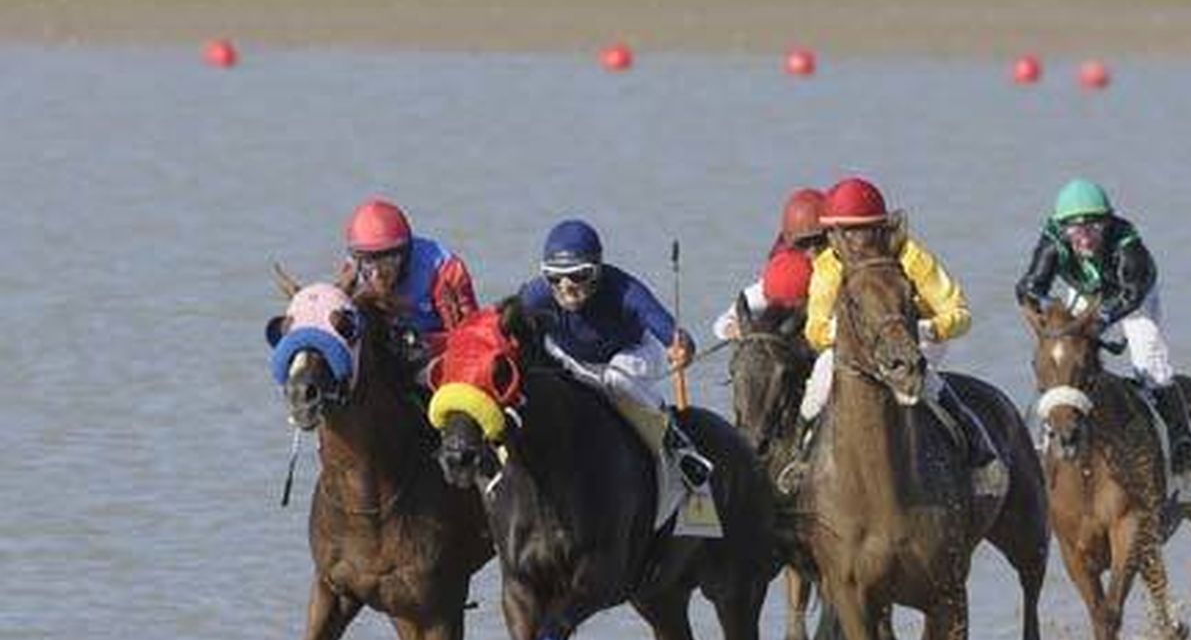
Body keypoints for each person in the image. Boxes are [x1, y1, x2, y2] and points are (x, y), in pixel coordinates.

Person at [796, 176, 1006, 496]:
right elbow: (815, 329)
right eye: (840, 233)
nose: (851, 243)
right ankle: (801, 460)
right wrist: (844, 332)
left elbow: (960, 312)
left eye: (859, 231)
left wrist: (932, 328)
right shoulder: (828, 266)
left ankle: (979, 455)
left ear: (880, 229)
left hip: (915, 338)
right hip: (855, 348)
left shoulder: (911, 256)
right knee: (819, 383)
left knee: (928, 381)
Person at [1015, 178, 1191, 475]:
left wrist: (1102, 320)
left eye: (1094, 228)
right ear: (1062, 227)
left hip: (1134, 298)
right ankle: (1038, 444)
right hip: (1086, 294)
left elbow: (1131, 293)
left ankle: (1182, 441)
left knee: (1150, 363)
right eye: (1075, 230)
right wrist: (1043, 314)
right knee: (1059, 362)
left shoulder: (1127, 242)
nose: (1085, 238)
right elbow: (1030, 286)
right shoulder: (1052, 241)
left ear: (1108, 223)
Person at [518, 219, 713, 488]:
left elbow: (664, 326)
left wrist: (682, 346)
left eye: (578, 276)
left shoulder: (625, 290)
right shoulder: (535, 296)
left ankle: (678, 445)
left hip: (635, 353)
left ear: (597, 271)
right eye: (554, 277)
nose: (566, 287)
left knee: (616, 379)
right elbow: (501, 322)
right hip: (574, 360)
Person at [339, 198, 478, 381]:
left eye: (388, 261)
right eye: (369, 262)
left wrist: (422, 344)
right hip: (384, 352)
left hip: (435, 357)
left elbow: (469, 338)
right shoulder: (352, 272)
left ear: (405, 255)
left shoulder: (444, 271)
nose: (379, 273)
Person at [712, 187, 827, 341]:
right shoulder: (785, 274)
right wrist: (734, 329)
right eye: (804, 243)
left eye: (820, 242)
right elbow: (723, 323)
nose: (812, 251)